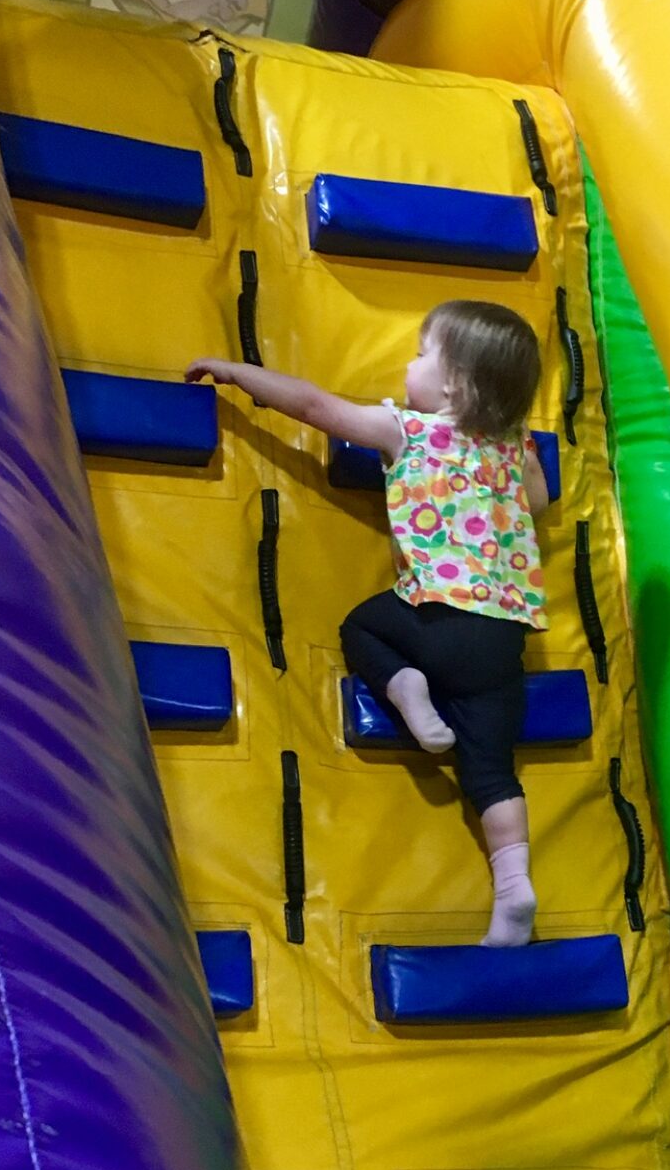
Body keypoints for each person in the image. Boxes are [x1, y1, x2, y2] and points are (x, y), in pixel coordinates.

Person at [187, 299, 549, 947]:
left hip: (433, 617)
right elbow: (541, 500)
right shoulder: (512, 447)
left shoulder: (408, 428)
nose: (408, 365)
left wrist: (239, 373)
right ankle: (514, 885)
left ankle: (405, 685)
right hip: (503, 638)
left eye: (420, 354)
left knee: (362, 627)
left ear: (454, 386)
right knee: (491, 769)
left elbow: (317, 408)